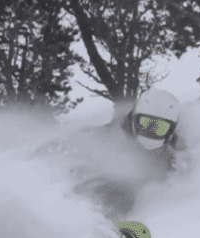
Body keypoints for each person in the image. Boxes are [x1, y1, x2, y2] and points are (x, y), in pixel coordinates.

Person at [70, 88, 186, 219]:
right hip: (87, 183)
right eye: (145, 123)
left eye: (160, 128)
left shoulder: (171, 154)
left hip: (128, 199)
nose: (150, 131)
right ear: (134, 118)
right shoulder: (112, 132)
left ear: (170, 132)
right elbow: (83, 140)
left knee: (122, 193)